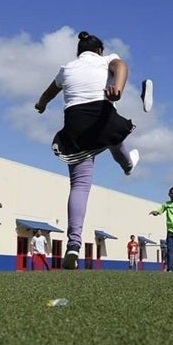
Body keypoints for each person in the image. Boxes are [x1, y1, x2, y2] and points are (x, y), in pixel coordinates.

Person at [34, 31, 145, 269]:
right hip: (101, 115)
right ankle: (128, 165)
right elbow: (121, 65)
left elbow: (48, 93)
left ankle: (73, 245)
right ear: (99, 50)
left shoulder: (67, 68)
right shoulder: (104, 60)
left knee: (80, 185)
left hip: (75, 123)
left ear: (78, 52)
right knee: (112, 137)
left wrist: (41, 105)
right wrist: (118, 88)